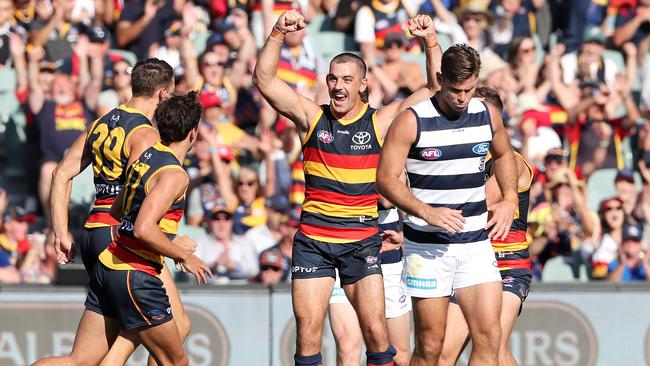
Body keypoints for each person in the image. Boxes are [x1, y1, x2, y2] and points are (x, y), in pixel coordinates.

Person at [253, 9, 441, 366]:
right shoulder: (312, 117)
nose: (339, 87)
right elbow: (264, 80)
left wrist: (430, 40)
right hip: (314, 242)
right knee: (308, 334)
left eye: (347, 80)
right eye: (333, 79)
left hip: (360, 240)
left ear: (363, 84)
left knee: (376, 334)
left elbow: (434, 88)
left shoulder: (381, 121)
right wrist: (277, 31)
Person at [35, 58, 188, 366]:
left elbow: (61, 173)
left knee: (81, 359)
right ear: (161, 94)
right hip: (119, 236)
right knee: (178, 325)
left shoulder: (101, 123)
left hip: (92, 230)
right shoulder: (146, 135)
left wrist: (61, 231)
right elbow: (136, 192)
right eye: (169, 94)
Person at [376, 44, 519, 366]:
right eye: (455, 90)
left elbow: (505, 154)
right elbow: (385, 179)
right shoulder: (412, 120)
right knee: (431, 345)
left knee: (490, 337)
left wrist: (510, 198)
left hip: (474, 244)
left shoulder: (487, 112)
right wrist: (426, 211)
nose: (462, 98)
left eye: (468, 90)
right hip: (428, 247)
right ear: (440, 79)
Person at [91, 91, 211, 365]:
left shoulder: (146, 156)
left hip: (113, 265)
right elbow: (144, 228)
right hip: (136, 275)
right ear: (193, 134)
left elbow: (118, 210)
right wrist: (183, 255)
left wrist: (167, 238)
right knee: (175, 361)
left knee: (114, 356)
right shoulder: (175, 175)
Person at [438, 86, 533, 366]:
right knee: (444, 352)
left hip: (507, 263)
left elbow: (483, 200)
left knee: (492, 345)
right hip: (472, 260)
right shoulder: (471, 158)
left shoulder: (510, 161)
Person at [328, 197, 411, 366]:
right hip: (341, 246)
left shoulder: (381, 168)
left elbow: (388, 199)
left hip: (384, 251)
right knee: (347, 345)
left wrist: (406, 236)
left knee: (399, 355)